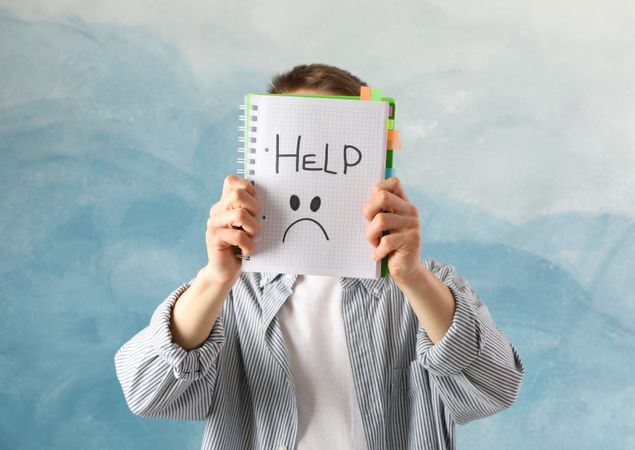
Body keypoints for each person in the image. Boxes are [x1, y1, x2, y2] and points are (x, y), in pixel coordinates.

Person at [114, 64, 525, 450]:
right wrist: (214, 278)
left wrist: (411, 276)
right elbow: (146, 392)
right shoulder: (232, 292)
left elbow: (495, 387)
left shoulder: (426, 285)